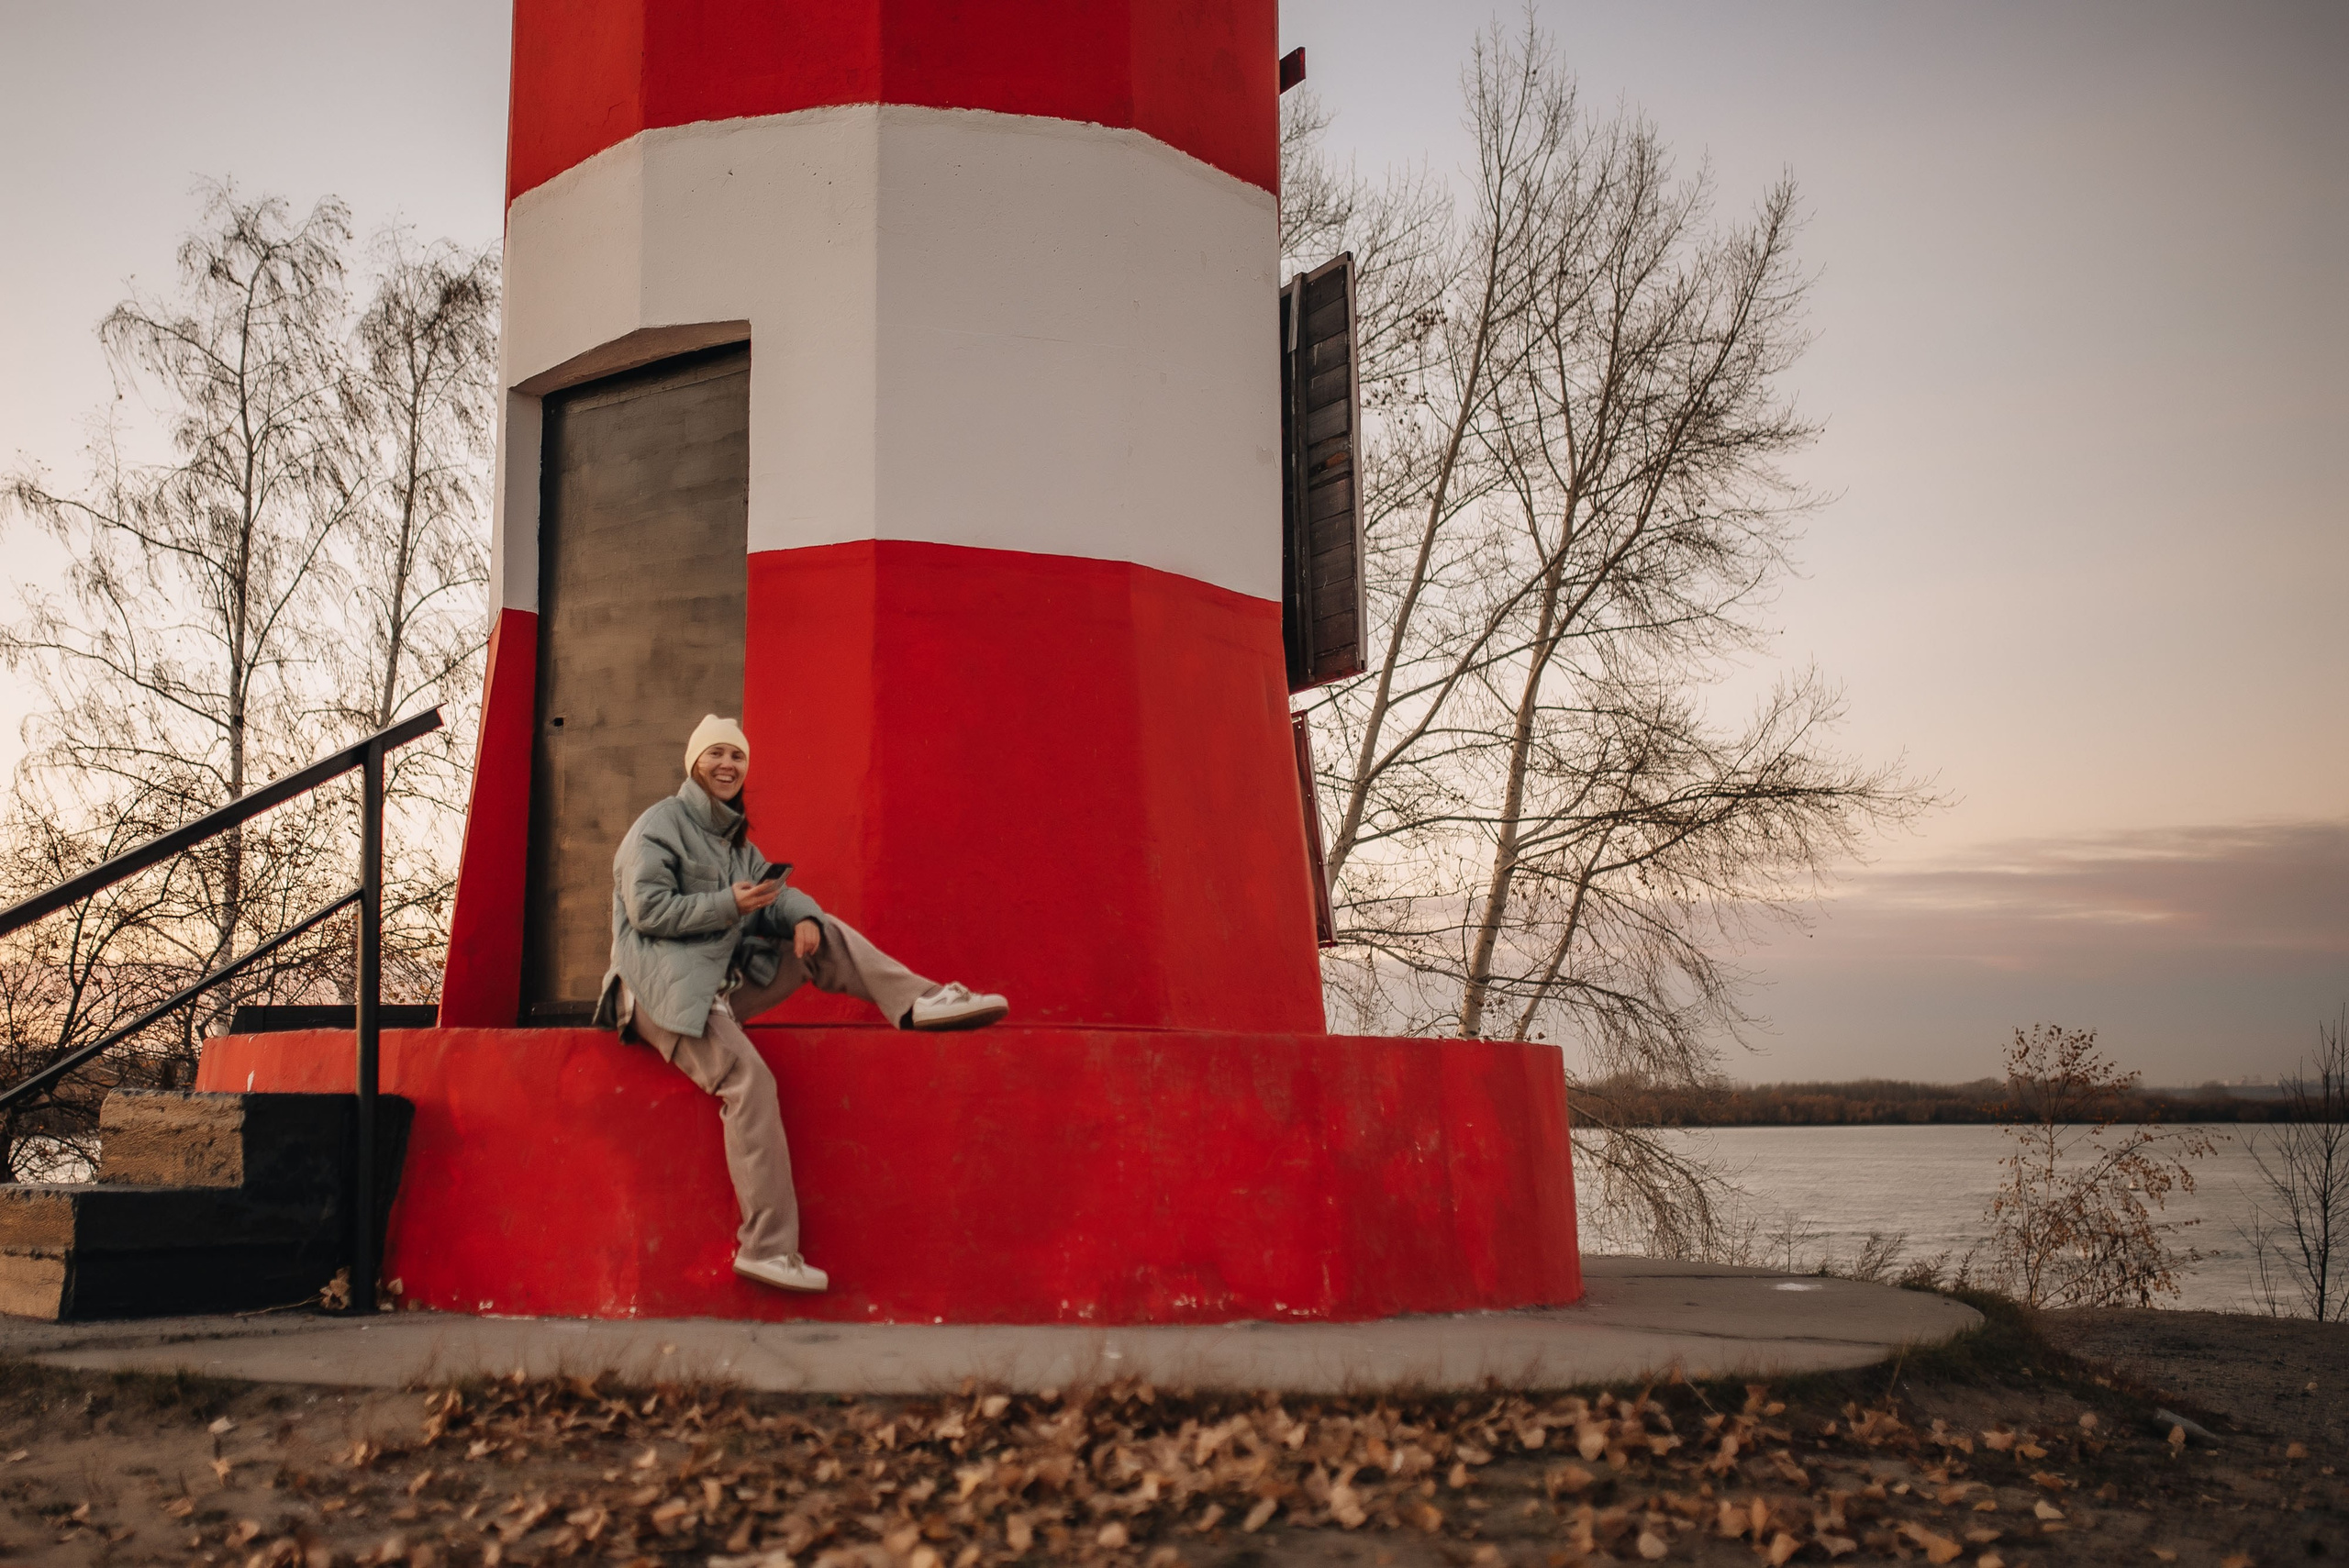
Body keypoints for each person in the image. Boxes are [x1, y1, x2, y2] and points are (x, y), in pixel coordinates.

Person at [593, 714, 1008, 1293]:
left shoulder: (737, 845)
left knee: (821, 931)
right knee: (748, 1080)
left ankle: (919, 1003)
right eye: (714, 754)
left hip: (717, 983)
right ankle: (766, 1249)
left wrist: (805, 916)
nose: (726, 765)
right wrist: (727, 907)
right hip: (656, 988)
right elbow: (648, 912)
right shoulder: (660, 824)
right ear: (693, 763)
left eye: (736, 756)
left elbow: (773, 895)